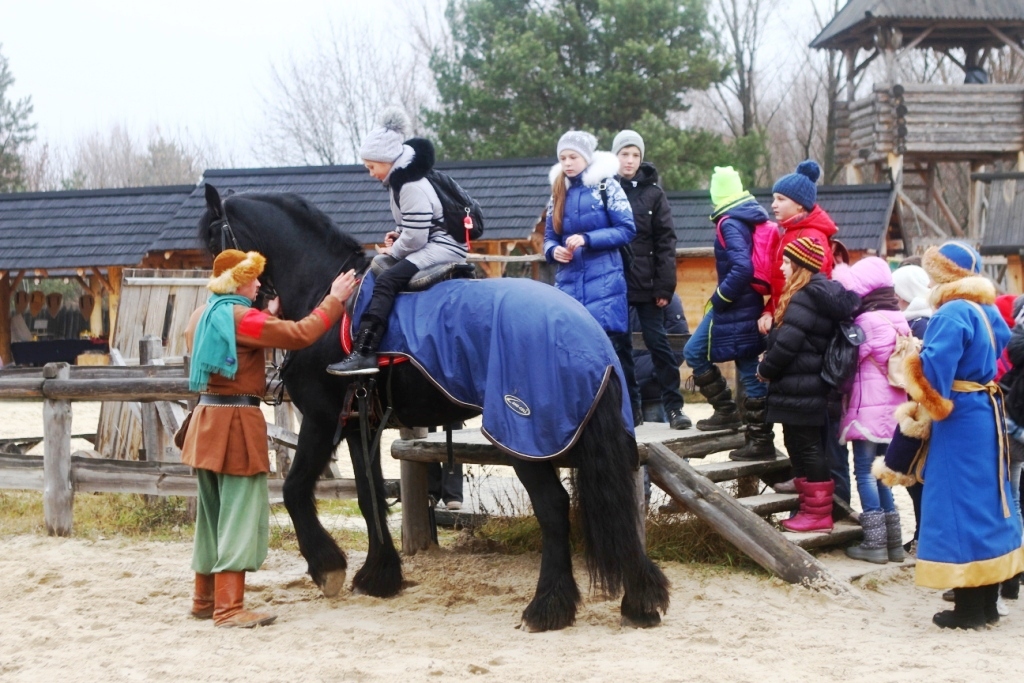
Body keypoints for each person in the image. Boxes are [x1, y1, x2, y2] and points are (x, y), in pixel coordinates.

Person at [182, 249, 357, 628]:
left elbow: (242, 341)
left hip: (206, 422)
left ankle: (204, 599)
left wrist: (268, 316)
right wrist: (334, 300)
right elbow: (300, 334)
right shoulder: (241, 318)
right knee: (239, 515)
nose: (259, 283)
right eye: (253, 278)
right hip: (235, 425)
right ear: (236, 282)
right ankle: (229, 609)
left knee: (212, 517)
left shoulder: (202, 315)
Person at [906, 241, 1023, 629]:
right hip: (986, 410)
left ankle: (969, 609)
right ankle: (987, 603)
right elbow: (1004, 347)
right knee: (988, 501)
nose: (929, 280)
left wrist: (911, 365)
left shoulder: (952, 310)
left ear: (945, 273)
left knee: (958, 503)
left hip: (959, 417)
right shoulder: (985, 308)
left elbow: (934, 372)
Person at [328, 109, 467, 376]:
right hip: (435, 242)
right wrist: (397, 235)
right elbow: (412, 226)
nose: (370, 173)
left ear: (386, 160)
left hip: (443, 247)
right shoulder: (401, 180)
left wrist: (395, 249)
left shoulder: (410, 185)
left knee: (387, 280)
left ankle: (365, 351)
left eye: (372, 166)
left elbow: (417, 237)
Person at [756, 237, 859, 532]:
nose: (782, 267)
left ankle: (817, 515)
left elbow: (788, 344)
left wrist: (765, 369)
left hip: (800, 384)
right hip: (806, 383)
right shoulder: (817, 294)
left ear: (800, 266)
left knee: (808, 447)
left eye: (787, 262)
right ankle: (809, 509)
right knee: (801, 444)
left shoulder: (804, 296)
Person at [543, 130, 637, 416]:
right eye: (562, 158)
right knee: (571, 352)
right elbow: (549, 237)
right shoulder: (558, 192)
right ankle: (580, 413)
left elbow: (627, 229)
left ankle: (625, 414)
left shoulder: (607, 186)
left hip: (605, 284)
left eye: (573, 157)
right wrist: (553, 251)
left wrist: (588, 239)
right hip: (569, 283)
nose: (567, 163)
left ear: (585, 157)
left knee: (611, 352)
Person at [683, 167, 773, 460]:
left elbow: (743, 267)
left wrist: (720, 298)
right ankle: (757, 439)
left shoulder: (729, 222)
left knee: (695, 351)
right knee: (748, 368)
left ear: (716, 193)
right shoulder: (745, 217)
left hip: (735, 304)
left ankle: (729, 413)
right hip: (748, 303)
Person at [832, 257, 909, 564]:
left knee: (864, 472)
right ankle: (893, 544)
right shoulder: (899, 318)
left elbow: (849, 360)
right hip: (894, 410)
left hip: (867, 409)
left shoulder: (867, 321)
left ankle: (874, 543)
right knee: (882, 473)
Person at [613, 129, 690, 430]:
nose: (630, 160)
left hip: (647, 285)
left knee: (658, 344)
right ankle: (631, 408)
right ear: (615, 156)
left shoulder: (654, 195)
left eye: (635, 155)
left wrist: (664, 286)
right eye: (624, 154)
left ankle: (674, 407)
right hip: (615, 283)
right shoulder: (606, 190)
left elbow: (666, 242)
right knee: (620, 346)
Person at [891, 263, 933, 552]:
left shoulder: (920, 324)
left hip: (919, 412)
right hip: (917, 410)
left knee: (917, 476)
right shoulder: (919, 320)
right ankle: (921, 534)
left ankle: (922, 536)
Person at [632, 294, 688, 423]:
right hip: (628, 394)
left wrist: (657, 375)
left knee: (658, 433)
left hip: (653, 393)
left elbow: (679, 343)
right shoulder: (621, 298)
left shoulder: (667, 297)